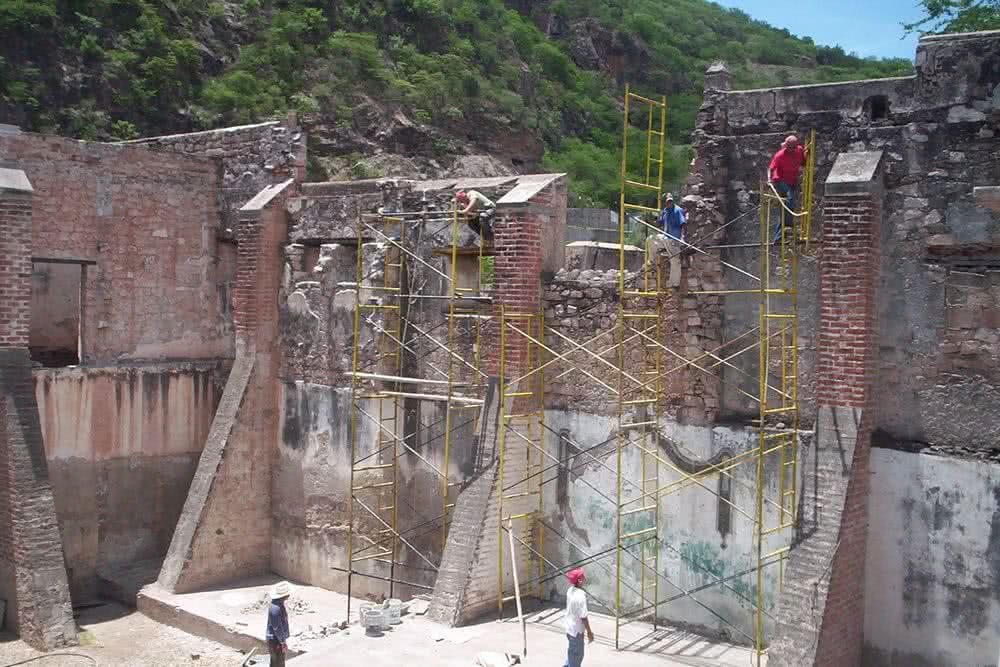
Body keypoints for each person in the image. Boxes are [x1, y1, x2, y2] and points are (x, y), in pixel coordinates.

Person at [768, 134, 807, 244]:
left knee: (786, 208)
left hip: (792, 181)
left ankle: (778, 236)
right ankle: (789, 226)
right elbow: (771, 169)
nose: (790, 150)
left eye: (792, 148)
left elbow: (804, 161)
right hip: (780, 180)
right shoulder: (780, 155)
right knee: (789, 199)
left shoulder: (799, 151)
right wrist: (769, 180)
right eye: (788, 147)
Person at [645, 192, 686, 288]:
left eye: (670, 201)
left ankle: (674, 284)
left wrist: (683, 238)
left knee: (675, 260)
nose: (669, 203)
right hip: (665, 237)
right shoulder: (665, 211)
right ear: (665, 202)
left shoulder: (678, 210)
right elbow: (660, 224)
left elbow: (683, 224)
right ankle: (652, 262)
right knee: (650, 239)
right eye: (667, 202)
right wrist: (650, 222)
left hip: (674, 239)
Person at [563, 568, 594, 667]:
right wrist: (589, 632)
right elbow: (583, 617)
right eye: (582, 576)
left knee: (572, 652)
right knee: (577, 656)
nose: (585, 577)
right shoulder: (580, 596)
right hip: (576, 631)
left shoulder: (570, 590)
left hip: (569, 628)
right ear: (579, 580)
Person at [266, 581, 293, 667]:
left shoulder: (278, 605)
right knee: (278, 663)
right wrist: (282, 642)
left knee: (276, 663)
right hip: (276, 641)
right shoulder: (275, 608)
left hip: (277, 640)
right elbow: (277, 627)